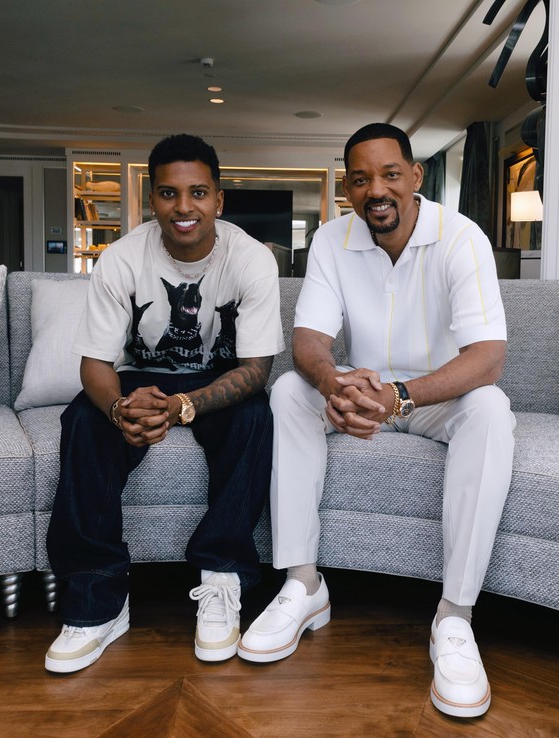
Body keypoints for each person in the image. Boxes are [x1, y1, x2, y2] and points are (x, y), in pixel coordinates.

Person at [238, 123, 515, 719]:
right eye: (361, 179)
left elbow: (488, 357)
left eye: (390, 174)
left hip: (433, 397)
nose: (376, 190)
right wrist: (333, 384)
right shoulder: (331, 241)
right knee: (289, 389)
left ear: (416, 177)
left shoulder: (461, 237)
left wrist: (402, 397)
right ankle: (304, 586)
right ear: (348, 189)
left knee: (491, 409)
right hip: (360, 392)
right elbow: (309, 337)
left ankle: (455, 618)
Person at [45, 134, 283, 673]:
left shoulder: (251, 261)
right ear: (151, 201)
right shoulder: (122, 258)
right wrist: (118, 411)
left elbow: (255, 370)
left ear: (219, 200)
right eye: (169, 194)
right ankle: (96, 600)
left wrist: (183, 406)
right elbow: (95, 366)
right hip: (137, 373)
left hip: (218, 375)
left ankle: (222, 578)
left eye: (198, 192)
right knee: (82, 420)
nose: (184, 207)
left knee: (254, 414)